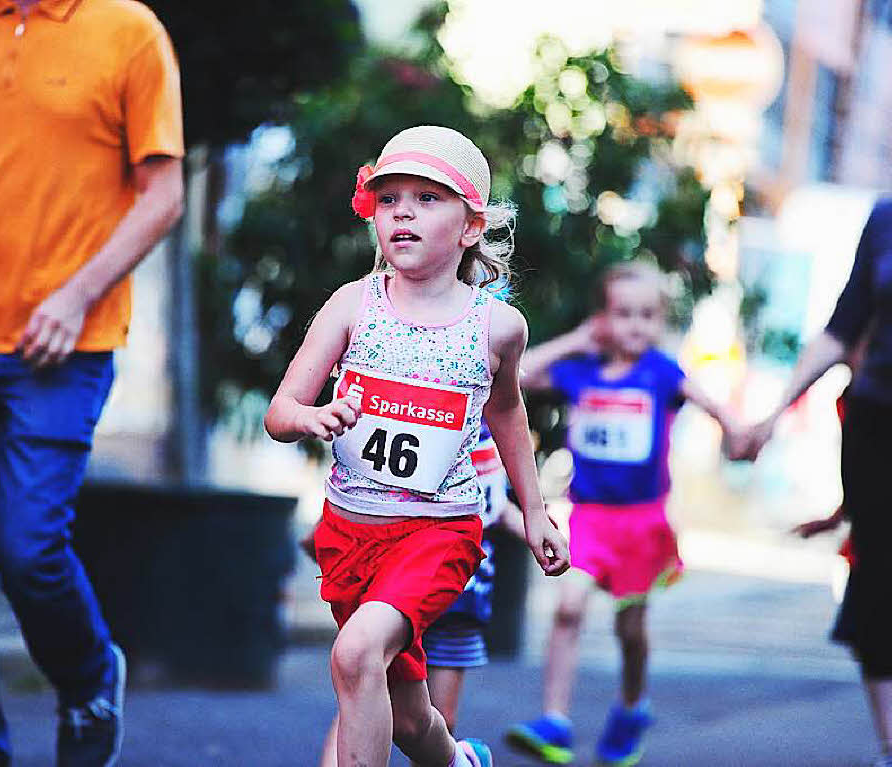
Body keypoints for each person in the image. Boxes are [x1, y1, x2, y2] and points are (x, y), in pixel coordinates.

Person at [0, 1, 183, 765]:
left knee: (27, 547)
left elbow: (163, 193)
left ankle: (87, 678)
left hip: (63, 344)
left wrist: (76, 294)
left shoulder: (128, 30)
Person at [264, 125, 570, 767]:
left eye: (427, 198)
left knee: (353, 656)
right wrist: (314, 418)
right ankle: (458, 761)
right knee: (407, 715)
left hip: (438, 533)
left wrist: (535, 510)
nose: (402, 211)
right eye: (389, 198)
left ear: (470, 228)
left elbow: (508, 412)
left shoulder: (496, 326)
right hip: (350, 535)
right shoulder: (352, 305)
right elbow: (280, 412)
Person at [506, 262, 739, 766]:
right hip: (590, 518)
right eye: (624, 314)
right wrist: (574, 340)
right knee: (569, 608)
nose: (637, 325)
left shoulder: (660, 372)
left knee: (631, 632)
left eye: (649, 315)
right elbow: (515, 377)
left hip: (642, 523)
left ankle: (633, 707)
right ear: (602, 319)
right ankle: (555, 720)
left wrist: (738, 433)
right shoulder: (581, 371)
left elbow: (712, 404)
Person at [732, 198, 892, 766]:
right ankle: (889, 745)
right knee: (877, 581)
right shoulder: (885, 216)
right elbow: (841, 328)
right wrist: (774, 413)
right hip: (879, 424)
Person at [311, 420, 524, 767]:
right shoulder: (411, 410)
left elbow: (496, 504)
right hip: (394, 585)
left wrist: (534, 523)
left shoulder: (487, 430)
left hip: (459, 601)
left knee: (427, 721)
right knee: (359, 682)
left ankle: (459, 760)